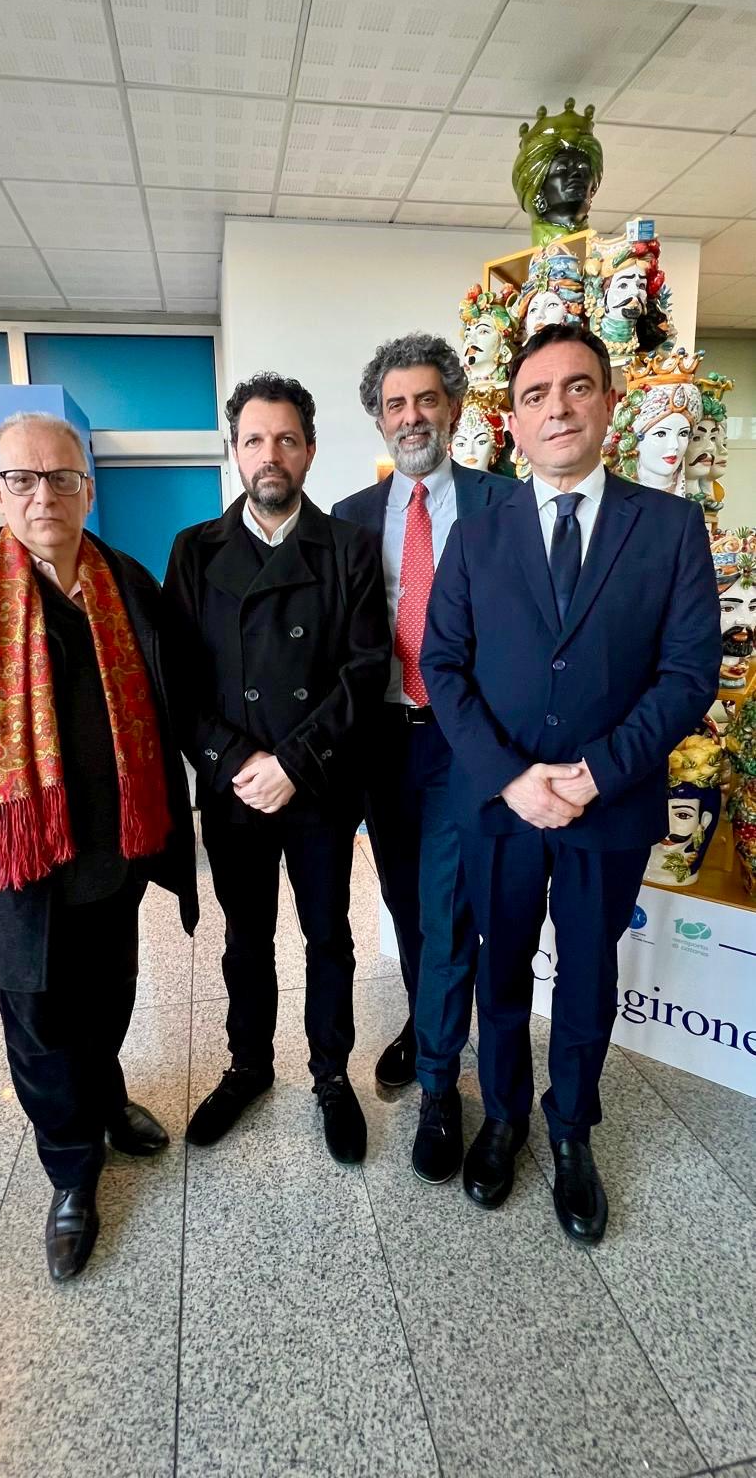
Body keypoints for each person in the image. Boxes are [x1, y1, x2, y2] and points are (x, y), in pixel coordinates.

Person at [420, 324, 721, 1242]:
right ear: (513, 422)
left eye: (577, 387)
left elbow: (688, 673)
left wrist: (598, 774)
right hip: (501, 809)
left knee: (588, 978)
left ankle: (571, 1130)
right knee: (501, 968)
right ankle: (505, 1116)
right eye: (535, 394)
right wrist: (511, 778)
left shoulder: (668, 527)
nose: (557, 407)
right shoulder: (476, 536)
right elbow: (442, 665)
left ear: (609, 404)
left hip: (609, 809)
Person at [0, 412, 197, 1282]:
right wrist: (5, 804)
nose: (43, 495)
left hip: (116, 856)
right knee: (40, 1027)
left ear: (87, 488)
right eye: (21, 479)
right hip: (19, 868)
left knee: (110, 998)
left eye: (61, 477)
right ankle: (71, 1172)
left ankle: (109, 1100)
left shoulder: (126, 583)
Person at [163, 373, 390, 1165]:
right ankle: (249, 1066)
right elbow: (178, 680)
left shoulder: (349, 548)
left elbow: (364, 670)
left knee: (329, 937)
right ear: (234, 452)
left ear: (310, 451)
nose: (271, 454)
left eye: (286, 439)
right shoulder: (194, 550)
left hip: (319, 783)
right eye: (255, 439)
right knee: (245, 937)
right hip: (235, 790)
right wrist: (235, 761)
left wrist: (294, 761)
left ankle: (331, 1074)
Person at [332, 334, 512, 1182]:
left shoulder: (503, 504)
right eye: (395, 404)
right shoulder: (349, 517)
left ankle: (441, 1086)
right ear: (379, 418)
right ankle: (423, 1019)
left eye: (426, 400)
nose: (411, 417)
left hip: (462, 739)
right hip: (380, 740)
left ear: (455, 408)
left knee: (445, 906)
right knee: (405, 903)